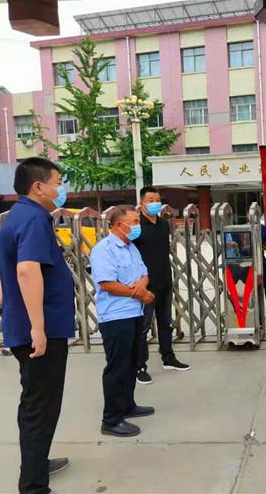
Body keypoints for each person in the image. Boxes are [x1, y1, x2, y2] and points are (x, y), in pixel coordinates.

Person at [0, 157, 73, 493]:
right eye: (58, 183)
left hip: (29, 326)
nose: (61, 189)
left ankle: (36, 462)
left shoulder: (17, 216)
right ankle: (33, 485)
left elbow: (7, 268)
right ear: (38, 187)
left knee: (34, 403)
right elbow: (26, 270)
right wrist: (38, 328)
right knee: (41, 407)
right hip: (40, 332)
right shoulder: (32, 218)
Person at [90, 205, 156, 437]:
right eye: (135, 222)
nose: (138, 226)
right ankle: (111, 419)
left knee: (132, 363)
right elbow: (107, 283)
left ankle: (127, 404)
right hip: (116, 316)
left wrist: (143, 286)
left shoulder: (131, 247)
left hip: (135, 313)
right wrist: (140, 294)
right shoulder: (104, 250)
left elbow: (144, 273)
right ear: (120, 225)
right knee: (117, 367)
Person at [133, 186, 191, 385]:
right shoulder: (136, 226)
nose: (155, 203)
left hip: (164, 281)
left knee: (165, 322)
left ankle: (168, 357)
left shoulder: (163, 223)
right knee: (143, 327)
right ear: (141, 203)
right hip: (145, 284)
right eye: (150, 200)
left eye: (157, 199)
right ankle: (140, 366)